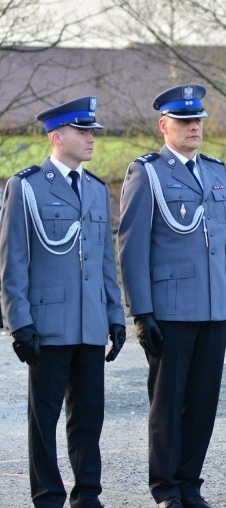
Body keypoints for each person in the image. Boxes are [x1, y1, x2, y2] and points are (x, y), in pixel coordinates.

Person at [118, 84, 226, 508]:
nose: (194, 127)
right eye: (185, 121)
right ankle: (166, 487)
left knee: (204, 402)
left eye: (199, 121)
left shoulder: (215, 170)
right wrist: (142, 310)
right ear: (164, 125)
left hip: (214, 305)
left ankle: (191, 483)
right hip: (170, 309)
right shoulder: (148, 172)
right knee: (168, 404)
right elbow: (132, 246)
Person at [0, 96, 126, 508]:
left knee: (89, 416)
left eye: (92, 131)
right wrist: (19, 322)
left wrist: (115, 314)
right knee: (44, 420)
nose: (91, 138)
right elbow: (12, 259)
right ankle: (48, 496)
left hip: (90, 323)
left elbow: (105, 260)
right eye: (82, 131)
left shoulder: (94, 188)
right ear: (57, 136)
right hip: (47, 322)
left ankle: (87, 493)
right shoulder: (27, 186)